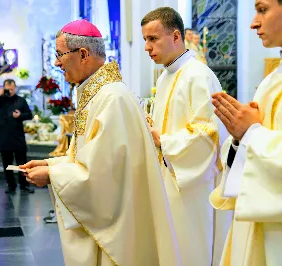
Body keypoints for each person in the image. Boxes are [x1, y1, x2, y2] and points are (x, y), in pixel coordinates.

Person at [20, 19, 181, 266]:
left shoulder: (112, 98)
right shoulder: (99, 94)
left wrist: (52, 176)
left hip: (119, 234)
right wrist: (52, 165)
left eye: (59, 55)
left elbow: (105, 178)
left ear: (83, 54)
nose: (56, 62)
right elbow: (90, 157)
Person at [141, 7, 231, 266]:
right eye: (145, 39)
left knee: (190, 249)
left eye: (153, 38)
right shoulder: (167, 76)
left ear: (176, 36)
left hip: (191, 187)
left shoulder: (198, 75)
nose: (147, 47)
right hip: (169, 179)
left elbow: (209, 134)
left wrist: (164, 141)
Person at [210, 0, 282, 264]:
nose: (253, 22)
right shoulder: (273, 79)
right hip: (257, 217)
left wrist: (250, 132)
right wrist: (240, 138)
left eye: (262, 9)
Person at [0, 79, 34, 193]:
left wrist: (20, 115)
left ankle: (24, 185)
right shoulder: (0, 99)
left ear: (15, 88)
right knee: (6, 163)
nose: (10, 91)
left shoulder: (21, 100)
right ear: (4, 88)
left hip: (17, 136)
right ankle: (11, 185)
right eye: (8, 89)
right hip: (4, 136)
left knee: (22, 163)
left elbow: (29, 115)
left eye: (12, 89)